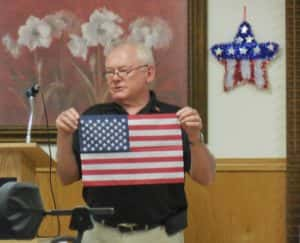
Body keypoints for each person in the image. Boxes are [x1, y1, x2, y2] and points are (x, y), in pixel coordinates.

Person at [56, 40, 215, 243]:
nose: (115, 78)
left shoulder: (174, 118)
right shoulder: (94, 117)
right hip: (100, 233)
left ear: (149, 73)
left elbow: (206, 178)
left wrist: (194, 138)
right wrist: (64, 136)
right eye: (109, 72)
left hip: (159, 235)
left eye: (123, 71)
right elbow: (67, 177)